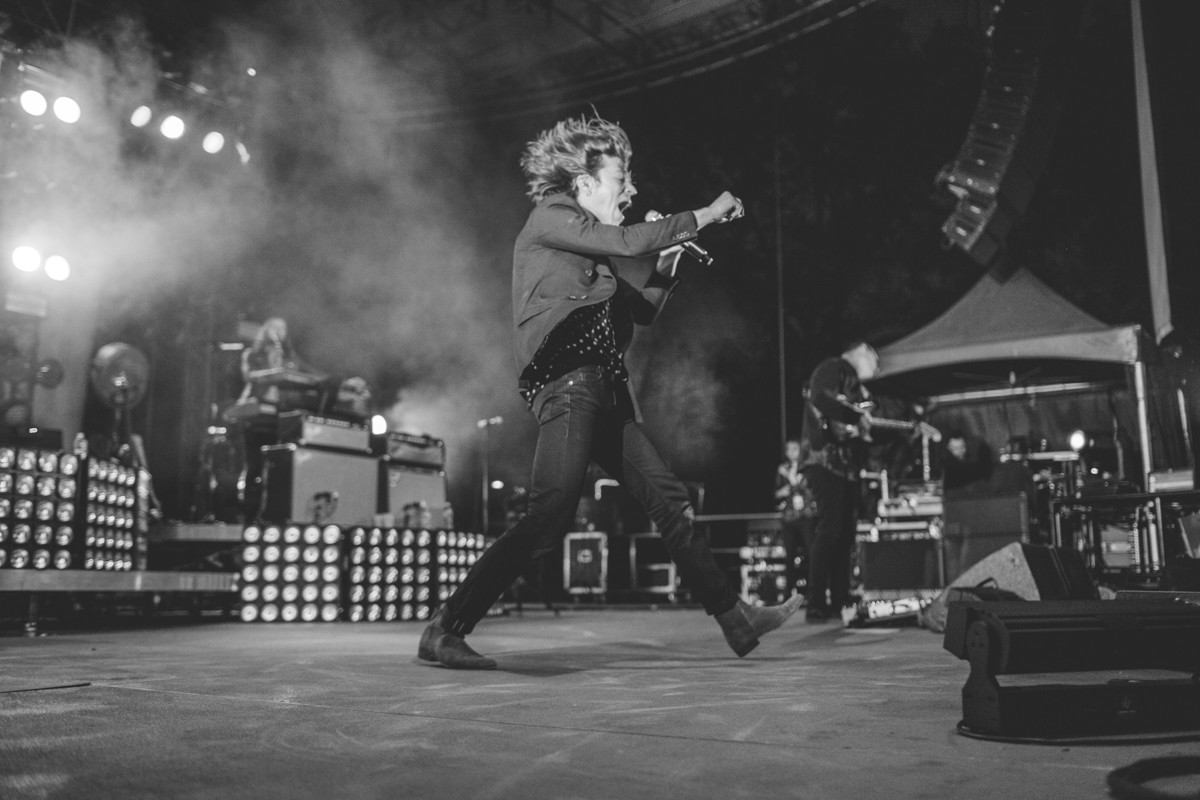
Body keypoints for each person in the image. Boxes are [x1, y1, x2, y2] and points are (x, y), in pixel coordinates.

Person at [418, 114, 802, 669]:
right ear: (585, 183)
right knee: (548, 517)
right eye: (622, 180)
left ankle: (734, 617)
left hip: (604, 394)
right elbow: (625, 240)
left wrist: (668, 258)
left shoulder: (589, 261)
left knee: (669, 500)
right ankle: (446, 627)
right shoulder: (551, 217)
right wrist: (703, 214)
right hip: (569, 383)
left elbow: (641, 311)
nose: (631, 191)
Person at [798, 340, 881, 623]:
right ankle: (816, 601)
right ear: (862, 351)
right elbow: (821, 398)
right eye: (875, 361)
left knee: (845, 533)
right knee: (830, 529)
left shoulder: (857, 386)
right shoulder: (835, 367)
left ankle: (839, 598)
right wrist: (856, 417)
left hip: (846, 466)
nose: (877, 369)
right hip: (823, 459)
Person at [775, 438, 817, 600]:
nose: (792, 452)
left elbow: (809, 489)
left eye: (795, 449)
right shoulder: (782, 469)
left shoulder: (807, 468)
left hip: (806, 516)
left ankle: (813, 592)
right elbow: (775, 492)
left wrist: (790, 478)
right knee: (789, 556)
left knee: (812, 553)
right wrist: (781, 492)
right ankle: (788, 594)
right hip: (789, 517)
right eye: (789, 449)